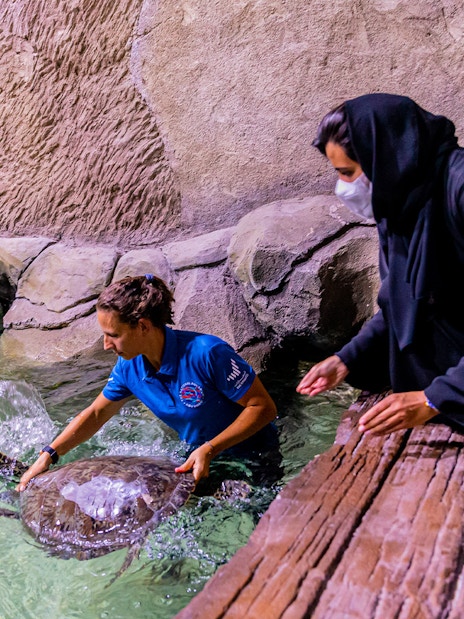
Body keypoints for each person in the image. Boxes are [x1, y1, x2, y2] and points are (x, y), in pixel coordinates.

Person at [297, 93, 464, 437]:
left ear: (385, 157)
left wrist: (436, 398)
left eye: (348, 172)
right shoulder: (401, 202)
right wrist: (347, 359)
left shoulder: (457, 190)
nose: (343, 187)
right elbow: (400, 305)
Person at [18, 274, 278, 490]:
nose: (106, 345)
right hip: (198, 459)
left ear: (142, 326)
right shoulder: (128, 367)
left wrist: (210, 449)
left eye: (114, 335)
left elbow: (264, 408)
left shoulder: (207, 353)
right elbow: (96, 413)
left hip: (253, 457)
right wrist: (48, 455)